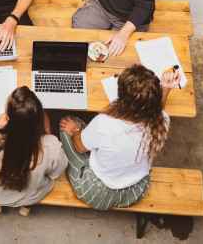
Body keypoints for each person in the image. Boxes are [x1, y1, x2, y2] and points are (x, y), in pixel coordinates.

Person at [58, 65, 180, 210]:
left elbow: (79, 146)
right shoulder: (163, 121)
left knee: (68, 121)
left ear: (120, 97)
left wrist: (76, 130)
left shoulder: (104, 123)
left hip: (98, 193)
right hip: (136, 190)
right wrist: (165, 89)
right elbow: (158, 111)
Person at [0, 86, 68, 215]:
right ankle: (26, 207)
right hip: (31, 194)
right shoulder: (51, 146)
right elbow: (56, 172)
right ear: (38, 121)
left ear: (8, 120)